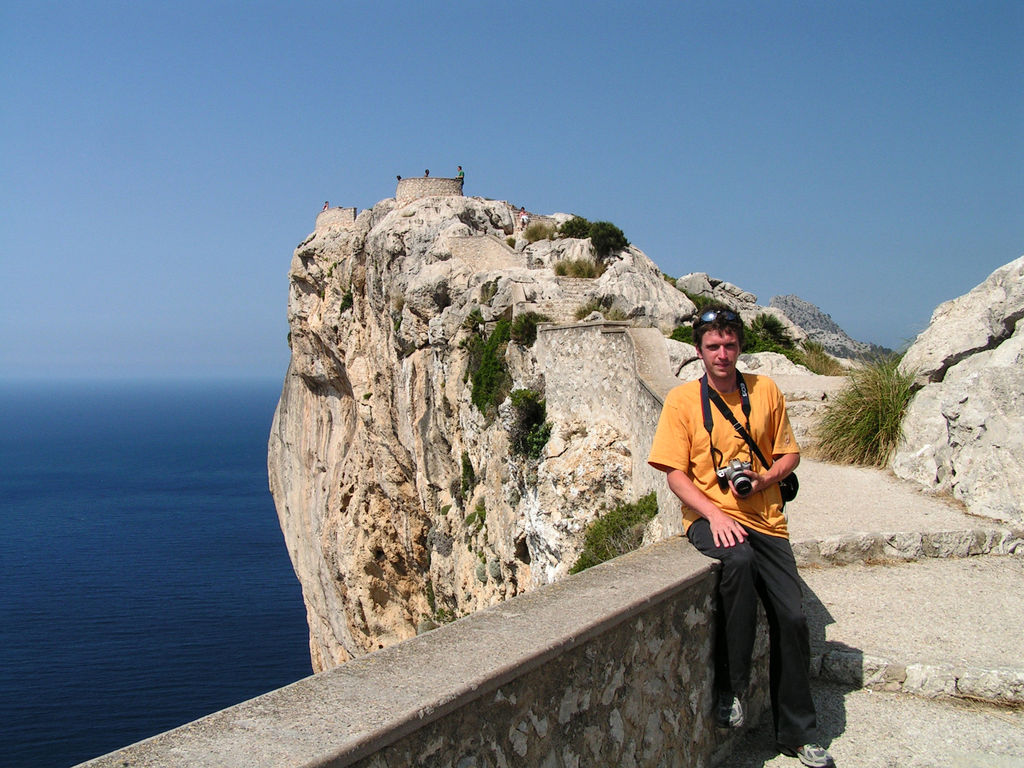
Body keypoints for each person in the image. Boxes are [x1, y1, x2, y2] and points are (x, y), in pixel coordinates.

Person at [647, 305, 834, 768]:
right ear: (698, 351)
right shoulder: (683, 402)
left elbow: (789, 454)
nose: (723, 355)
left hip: (766, 518)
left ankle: (798, 733)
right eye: (713, 347)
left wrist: (764, 479)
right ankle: (729, 689)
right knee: (739, 564)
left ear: (740, 346)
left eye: (730, 345)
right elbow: (674, 473)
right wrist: (714, 513)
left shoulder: (765, 390)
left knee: (792, 617)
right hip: (710, 517)